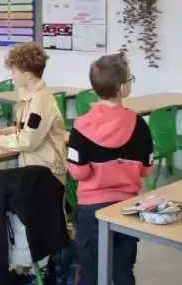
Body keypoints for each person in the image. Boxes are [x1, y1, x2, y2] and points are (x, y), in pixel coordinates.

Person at [68, 52, 151, 285]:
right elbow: (145, 170)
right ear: (123, 88)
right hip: (126, 206)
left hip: (91, 208)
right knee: (123, 269)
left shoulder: (81, 126)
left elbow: (78, 172)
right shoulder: (139, 124)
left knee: (90, 270)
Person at [0, 42, 68, 184]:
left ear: (28, 75)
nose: (12, 75)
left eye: (14, 71)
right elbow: (28, 129)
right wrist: (9, 131)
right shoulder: (31, 95)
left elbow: (27, 141)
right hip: (36, 167)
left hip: (46, 172)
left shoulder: (40, 101)